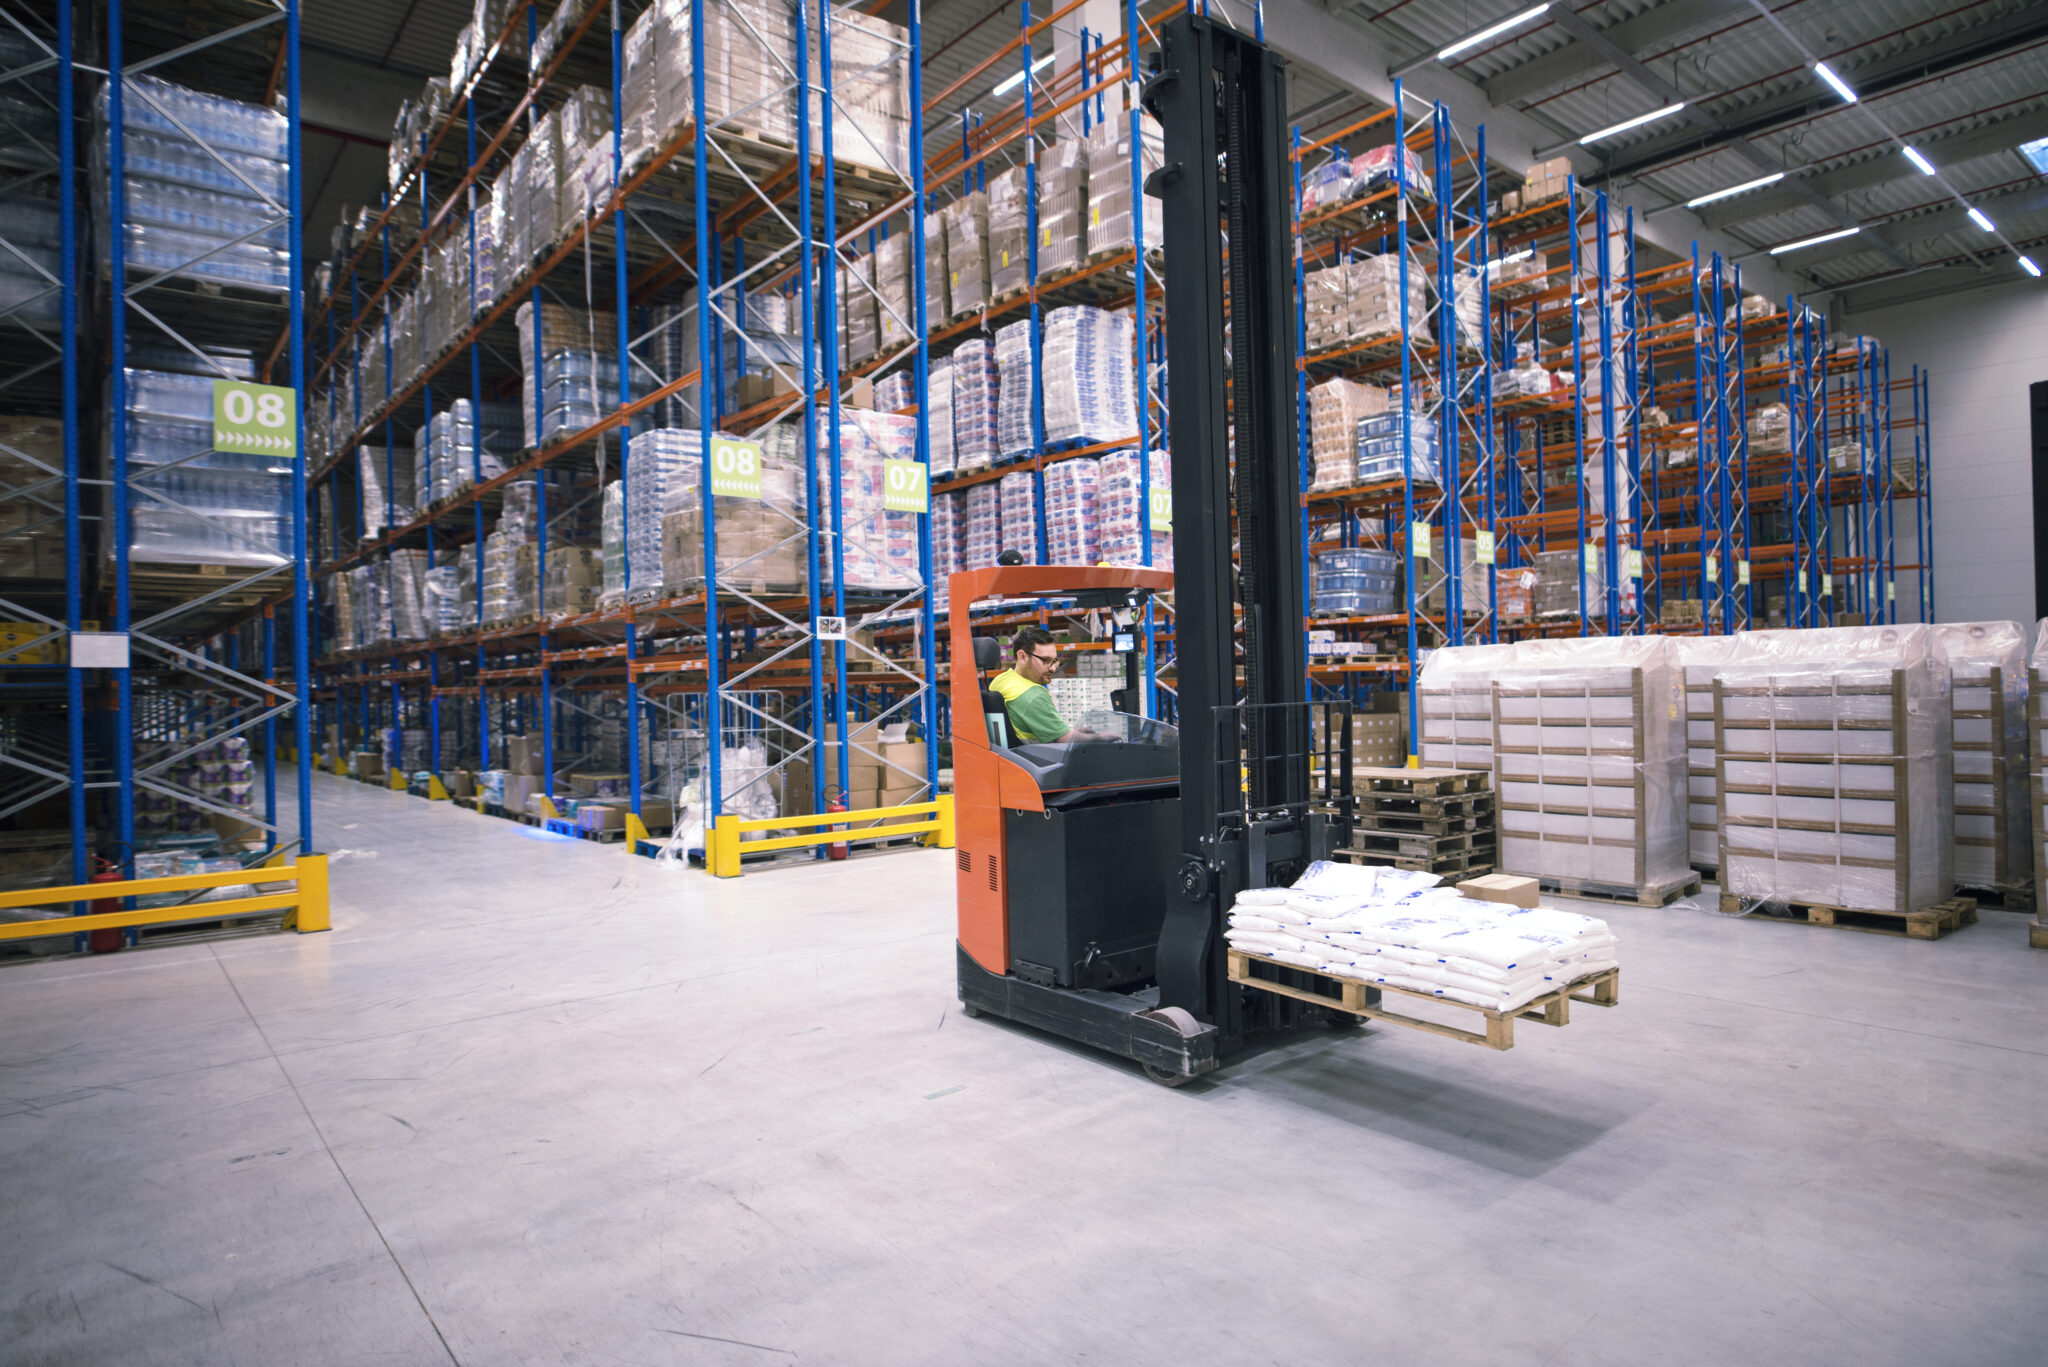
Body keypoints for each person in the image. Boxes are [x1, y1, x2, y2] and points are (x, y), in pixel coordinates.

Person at [987, 625, 1076, 744]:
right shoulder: (1033, 695)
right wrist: (1099, 737)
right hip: (1038, 759)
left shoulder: (1000, 680)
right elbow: (1065, 740)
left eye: (1054, 661)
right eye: (1046, 660)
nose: (1053, 668)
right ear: (1022, 657)